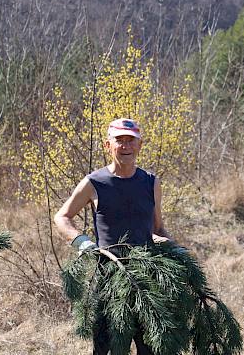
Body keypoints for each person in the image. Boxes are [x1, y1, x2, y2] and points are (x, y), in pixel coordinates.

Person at [54, 118, 171, 355]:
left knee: (151, 350)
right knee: (107, 350)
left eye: (131, 141)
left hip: (146, 283)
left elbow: (157, 229)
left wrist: (175, 251)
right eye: (119, 141)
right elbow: (62, 217)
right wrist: (83, 243)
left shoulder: (151, 182)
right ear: (108, 146)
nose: (125, 146)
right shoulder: (94, 182)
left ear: (140, 145)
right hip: (109, 280)